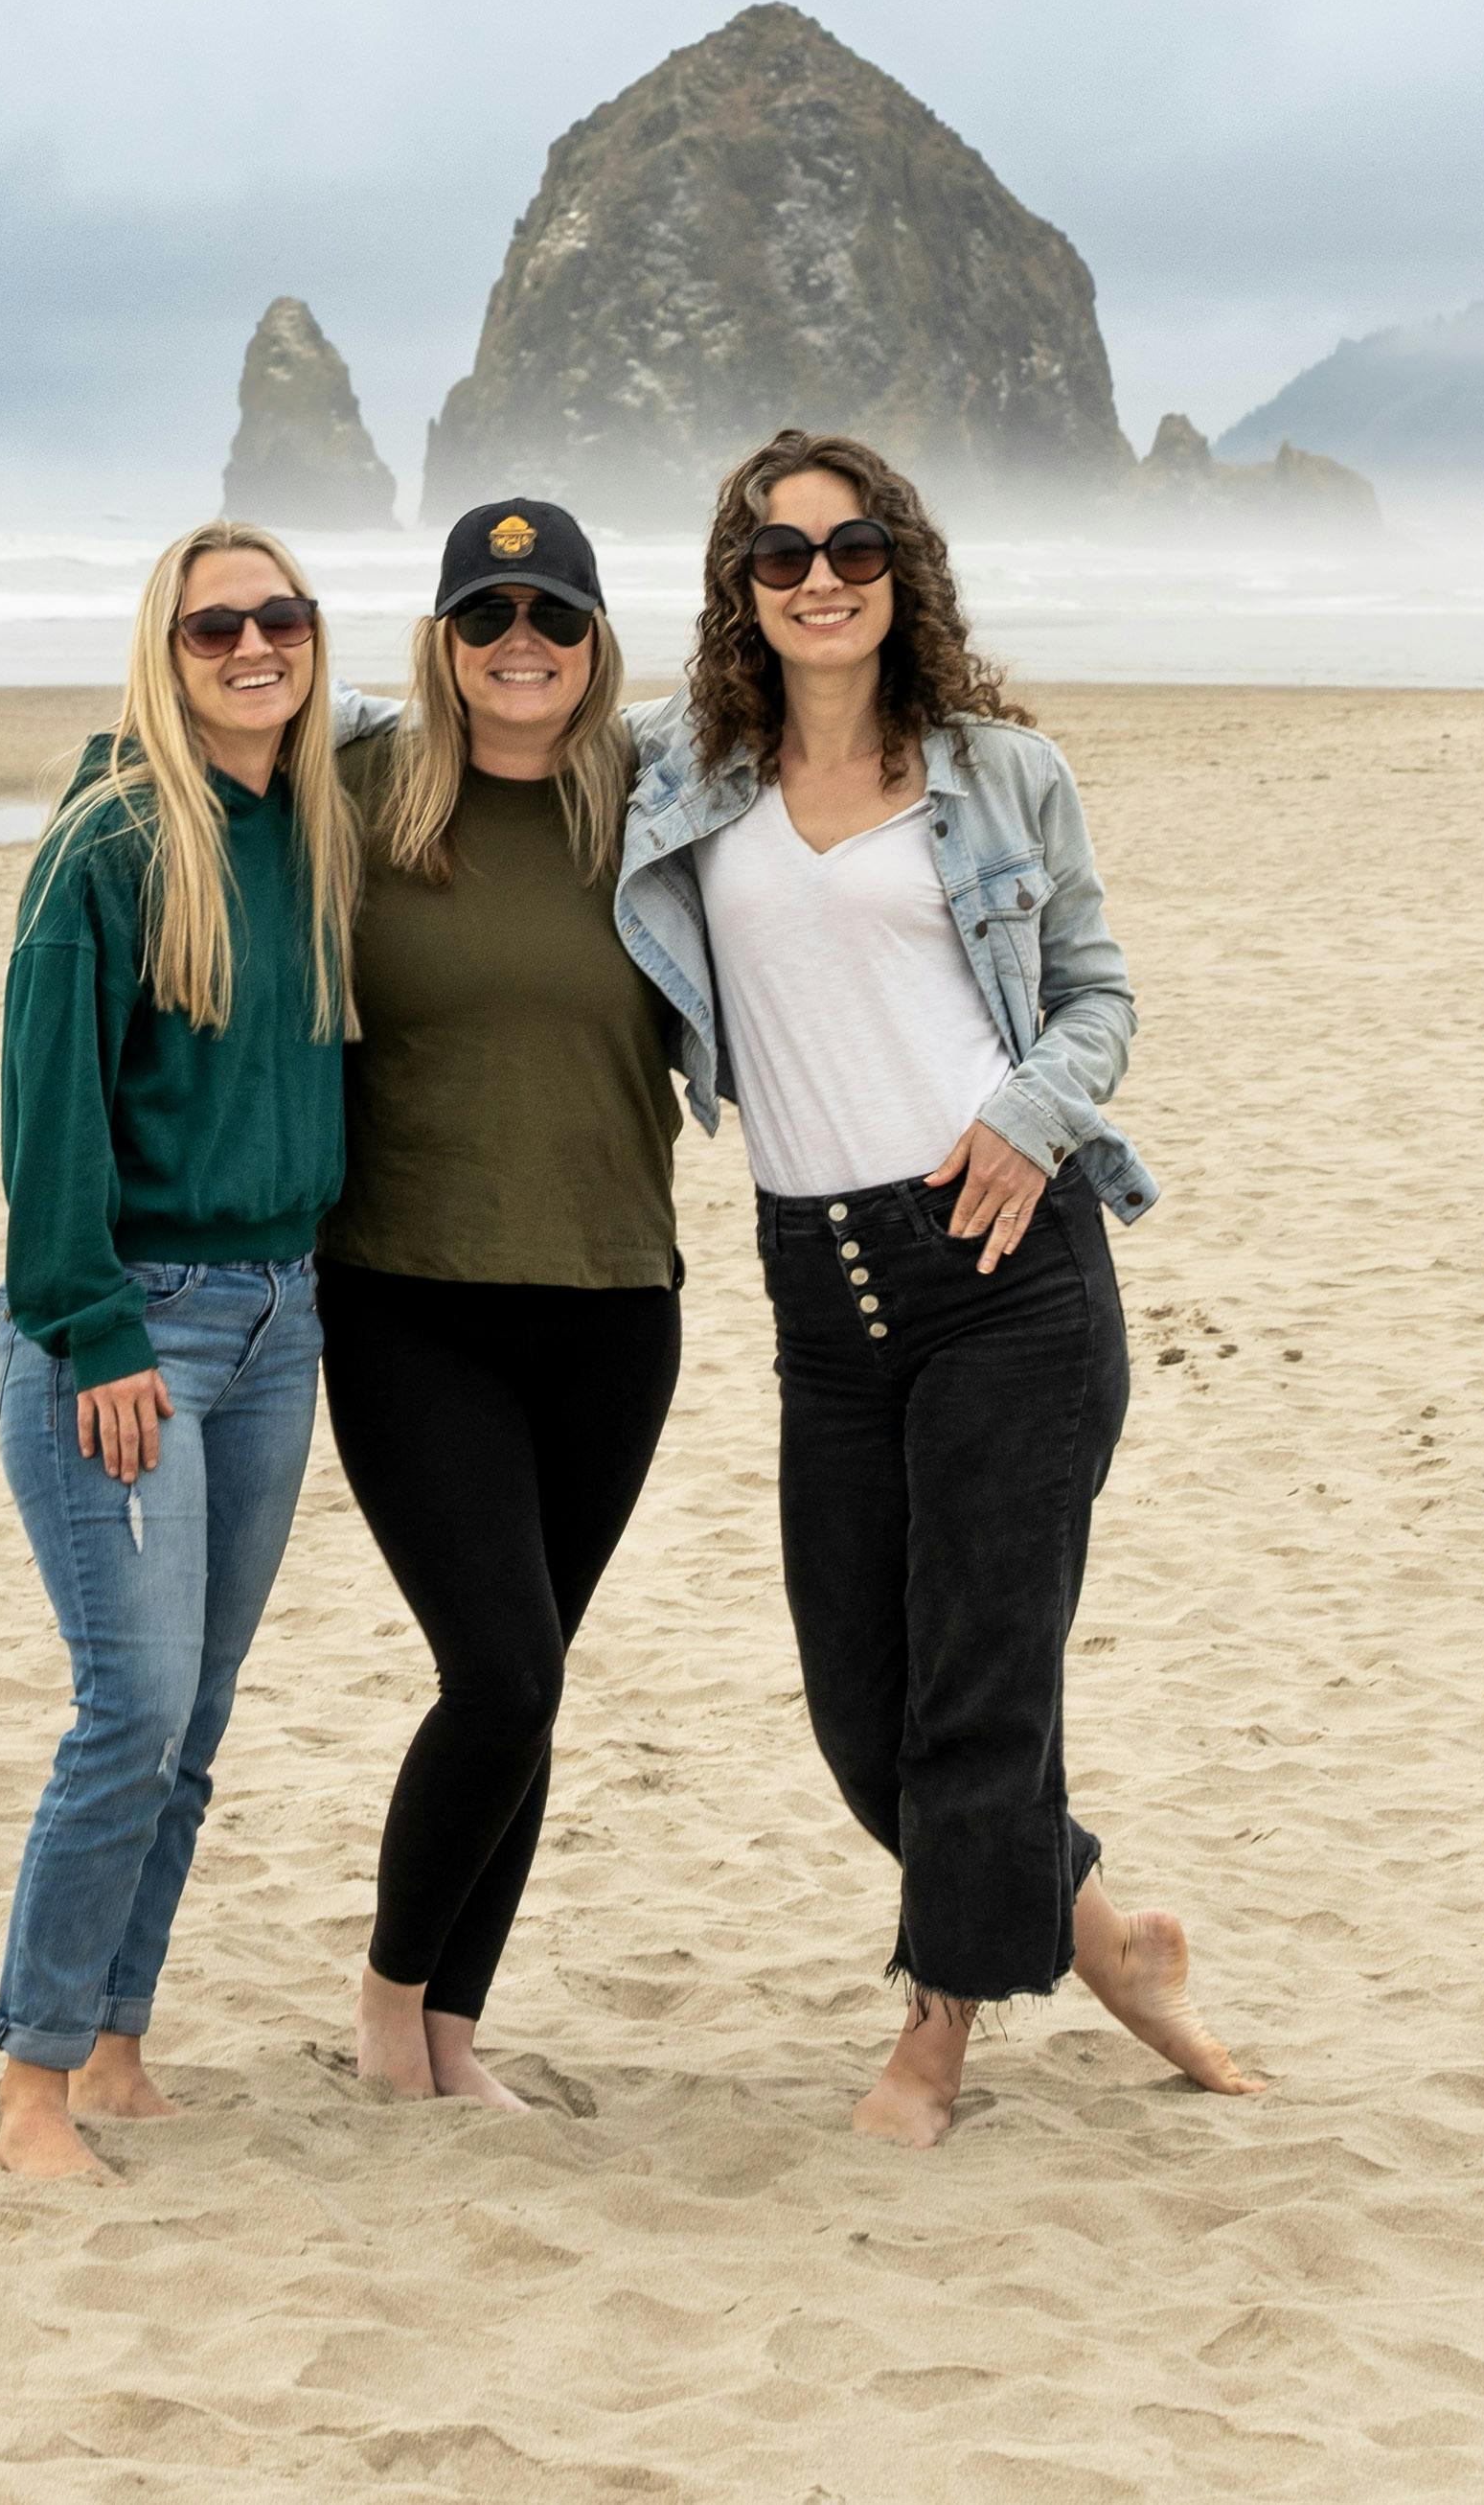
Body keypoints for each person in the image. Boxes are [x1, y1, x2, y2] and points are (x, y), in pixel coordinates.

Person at [615, 428, 1257, 2146]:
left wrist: (1035, 1121)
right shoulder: (681, 771)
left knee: (981, 1692)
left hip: (1003, 1269)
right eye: (781, 554)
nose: (820, 577)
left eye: (854, 545)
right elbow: (488, 717)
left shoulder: (1001, 772)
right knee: (857, 1710)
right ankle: (1114, 1939)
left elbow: (1096, 999)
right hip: (817, 1293)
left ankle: (936, 2039)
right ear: (738, 588)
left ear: (906, 569)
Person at [0, 518, 366, 2180]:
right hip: (132, 1328)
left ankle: (124, 2041)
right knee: (126, 1706)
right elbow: (46, 1111)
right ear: (167, 645)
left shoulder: (312, 825)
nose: (253, 648)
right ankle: (33, 2084)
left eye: (279, 618)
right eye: (217, 628)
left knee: (196, 1713)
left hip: (282, 1320)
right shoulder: (110, 844)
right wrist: (95, 1329)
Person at [321, 500, 680, 2108]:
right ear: (443, 642)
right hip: (409, 1299)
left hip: (617, 1301)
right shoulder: (361, 797)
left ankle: (456, 2031)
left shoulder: (663, 808)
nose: (517, 642)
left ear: (596, 644)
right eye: (486, 616)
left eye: (550, 615)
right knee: (507, 1672)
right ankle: (394, 2009)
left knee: (539, 1671)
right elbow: (175, 760)